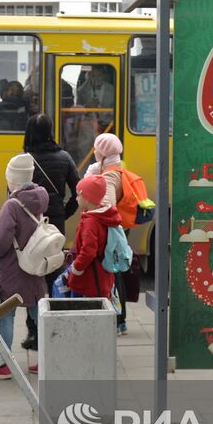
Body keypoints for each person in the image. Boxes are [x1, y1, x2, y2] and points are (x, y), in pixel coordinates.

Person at [0, 154, 49, 377]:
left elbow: (2, 240)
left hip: (13, 269)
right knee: (36, 313)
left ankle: (4, 364)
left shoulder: (12, 205)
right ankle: (46, 361)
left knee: (7, 315)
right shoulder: (39, 199)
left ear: (11, 178)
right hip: (34, 266)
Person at [22, 114, 79, 349]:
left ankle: (33, 333)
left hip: (30, 223)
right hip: (55, 223)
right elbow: (78, 192)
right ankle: (56, 331)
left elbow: (13, 193)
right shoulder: (64, 157)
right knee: (54, 275)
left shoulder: (25, 160)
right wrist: (63, 213)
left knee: (32, 277)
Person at [86, 132, 134, 334]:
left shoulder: (110, 175)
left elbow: (107, 206)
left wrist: (93, 224)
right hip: (120, 226)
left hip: (112, 231)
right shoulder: (117, 168)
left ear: (103, 152)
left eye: (97, 149)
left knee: (114, 275)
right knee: (117, 274)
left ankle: (119, 321)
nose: (95, 152)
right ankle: (119, 319)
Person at [66, 174, 121, 301]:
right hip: (101, 277)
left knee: (86, 314)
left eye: (79, 195)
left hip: (90, 280)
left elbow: (88, 251)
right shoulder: (103, 216)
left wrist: (75, 269)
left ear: (88, 198)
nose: (76, 198)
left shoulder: (91, 222)